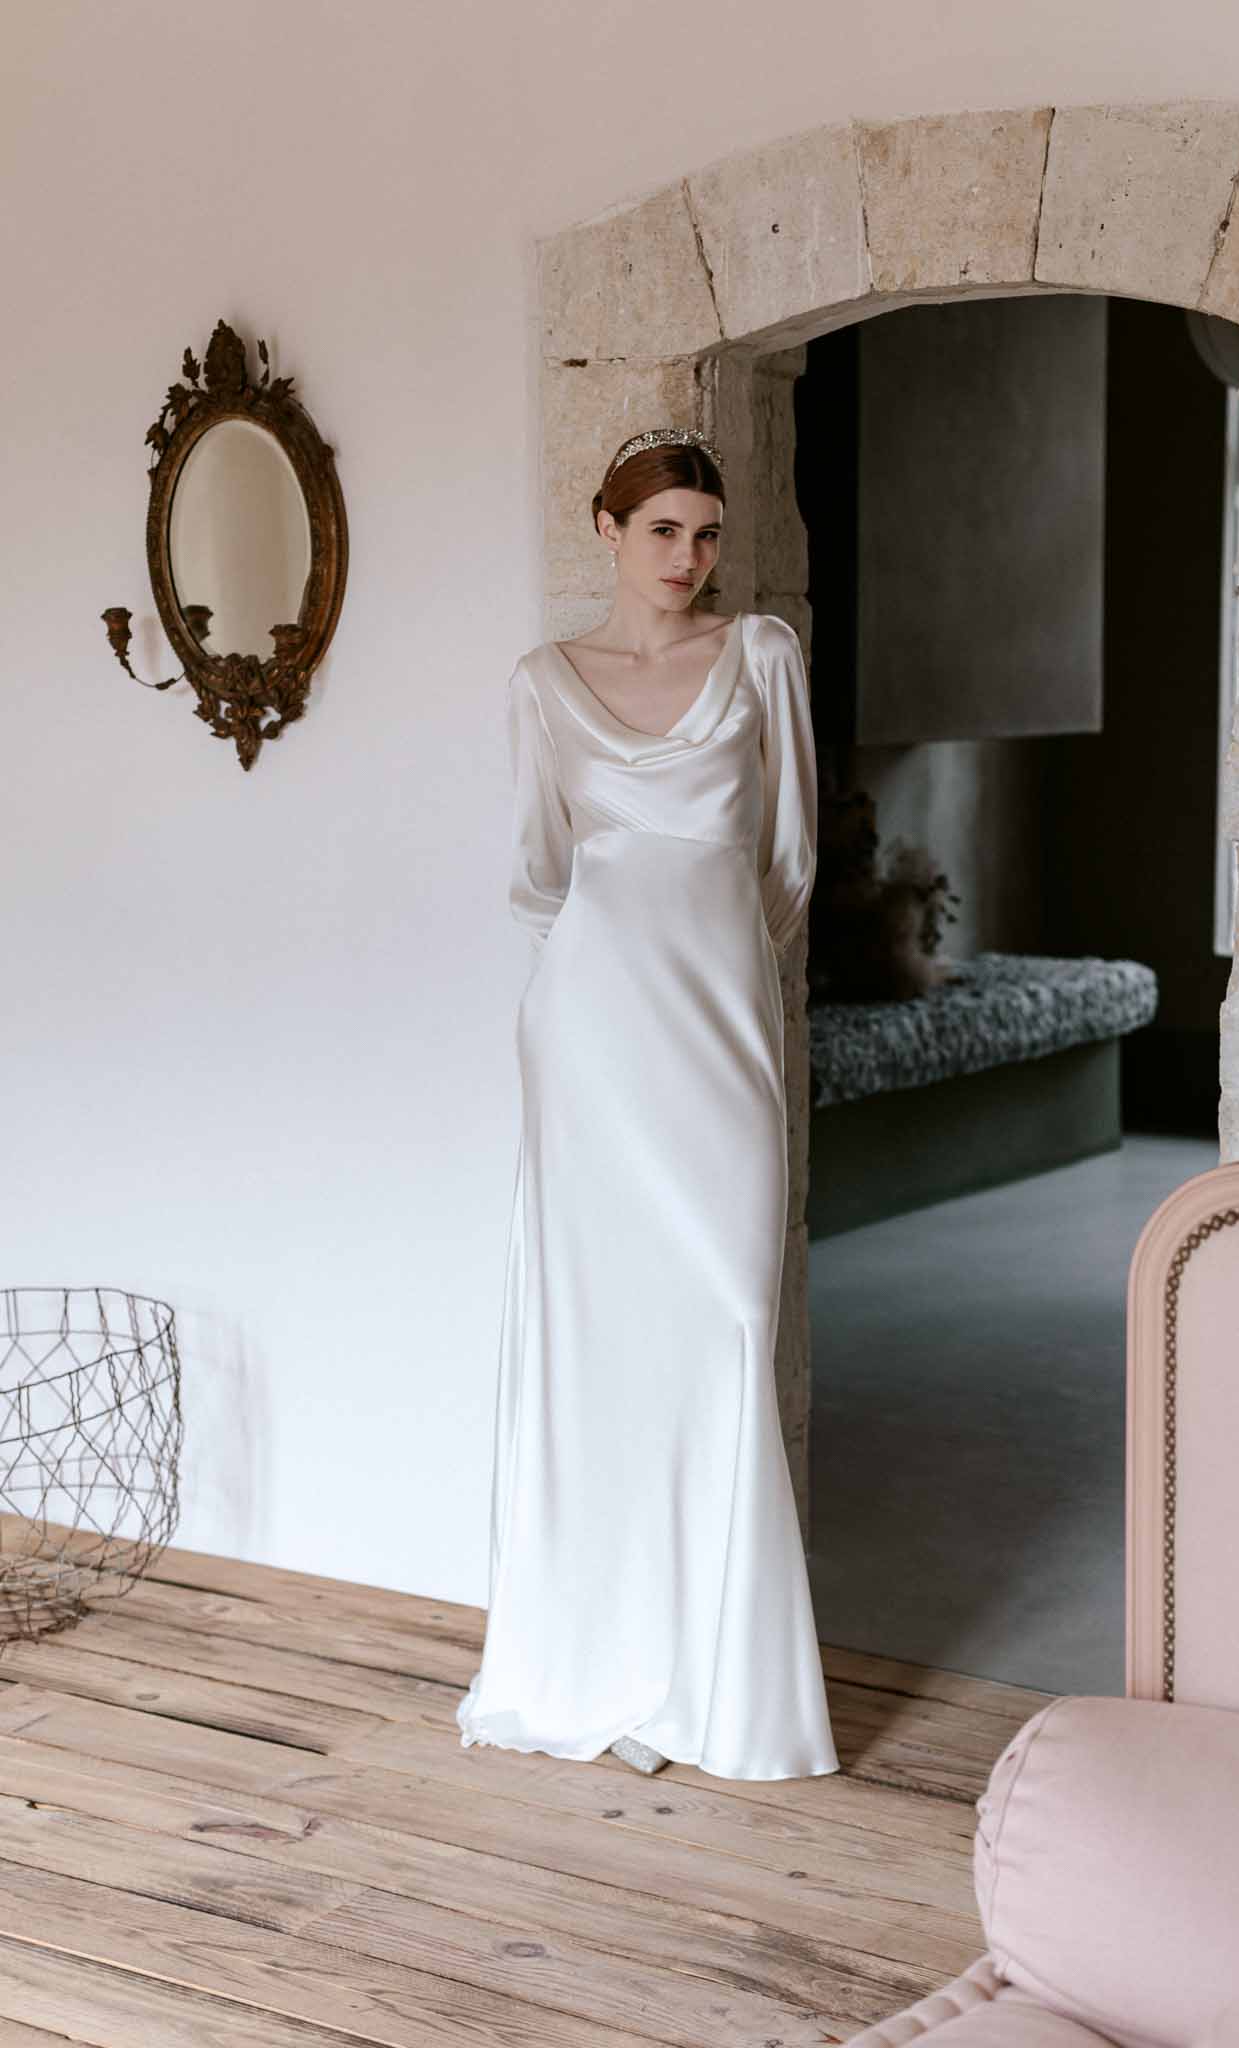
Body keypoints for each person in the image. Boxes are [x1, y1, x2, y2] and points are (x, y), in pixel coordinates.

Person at [456, 426, 839, 1781]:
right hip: (591, 1035)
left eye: (706, 533)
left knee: (729, 1314)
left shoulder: (761, 659)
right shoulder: (543, 684)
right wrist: (628, 949)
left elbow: (787, 863)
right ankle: (598, 1660)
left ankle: (717, 1686)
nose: (688, 558)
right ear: (607, 531)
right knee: (600, 1337)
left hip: (716, 1024)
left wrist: (718, 959)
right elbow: (534, 872)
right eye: (663, 530)